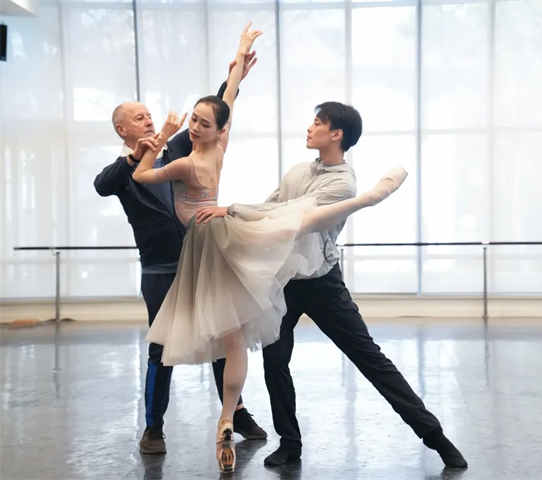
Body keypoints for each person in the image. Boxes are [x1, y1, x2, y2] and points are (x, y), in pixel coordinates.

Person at [132, 23, 409, 473]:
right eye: (195, 121)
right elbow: (227, 101)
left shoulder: (185, 162)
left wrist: (161, 137)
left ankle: (207, 419)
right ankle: (227, 415)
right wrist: (238, 62)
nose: (195, 126)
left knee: (192, 331)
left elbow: (142, 175)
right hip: (223, 237)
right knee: (233, 338)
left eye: (200, 122)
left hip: (202, 244)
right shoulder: (218, 147)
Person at [248, 101, 468, 470]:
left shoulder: (343, 183)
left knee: (369, 358)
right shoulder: (297, 172)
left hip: (322, 283)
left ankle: (436, 438)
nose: (310, 128)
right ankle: (290, 443)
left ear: (336, 134)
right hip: (285, 280)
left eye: (318, 122)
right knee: (274, 361)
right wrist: (231, 212)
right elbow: (267, 209)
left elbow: (296, 219)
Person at [93, 50, 266, 457]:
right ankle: (154, 428)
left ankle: (236, 413)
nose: (148, 121)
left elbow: (212, 117)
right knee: (162, 348)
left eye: (149, 116)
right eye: (139, 118)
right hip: (160, 269)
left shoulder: (175, 151)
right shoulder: (124, 170)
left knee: (222, 336)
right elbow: (102, 184)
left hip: (201, 262)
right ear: (122, 129)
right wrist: (136, 156)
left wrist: (234, 77)